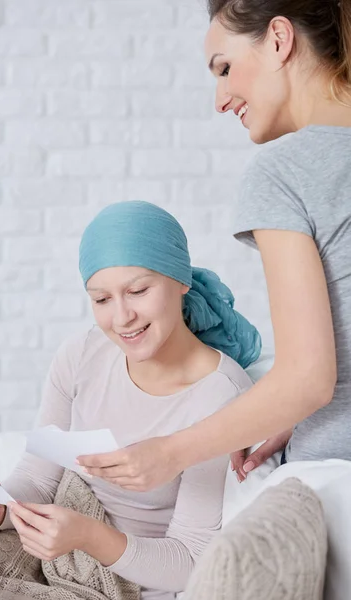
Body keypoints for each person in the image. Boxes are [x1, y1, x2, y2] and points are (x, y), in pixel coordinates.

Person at [75, 0, 351, 490]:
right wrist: (292, 411)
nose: (220, 99)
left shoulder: (284, 172)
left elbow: (308, 377)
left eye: (224, 69)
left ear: (280, 39)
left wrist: (170, 453)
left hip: (332, 478)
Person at [0, 201, 261, 600]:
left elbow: (190, 561)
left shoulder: (222, 394)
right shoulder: (81, 355)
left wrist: (87, 536)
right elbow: (37, 480)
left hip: (121, 574)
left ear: (181, 280)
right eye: (101, 300)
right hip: (54, 541)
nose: (121, 318)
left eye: (137, 291)